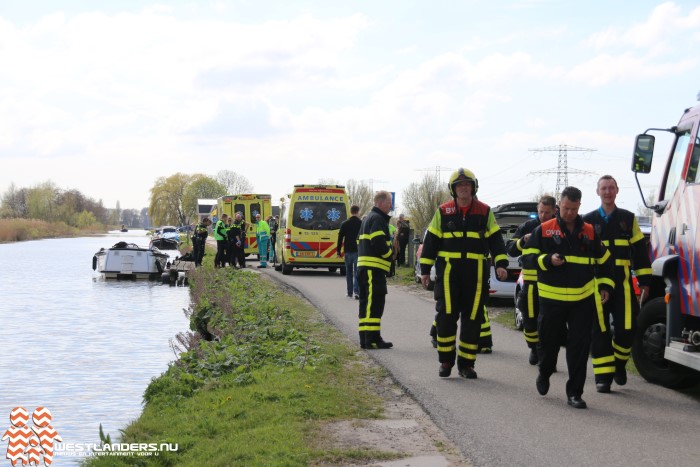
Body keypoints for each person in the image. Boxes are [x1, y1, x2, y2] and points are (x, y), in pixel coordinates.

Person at [522, 186, 614, 409]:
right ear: (558, 207)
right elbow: (528, 258)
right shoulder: (544, 230)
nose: (569, 213)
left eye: (573, 209)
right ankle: (544, 373)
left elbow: (605, 261)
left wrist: (604, 285)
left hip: (581, 300)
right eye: (565, 208)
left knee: (579, 348)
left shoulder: (590, 231)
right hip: (551, 300)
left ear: (579, 206)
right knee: (549, 343)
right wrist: (546, 260)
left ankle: (575, 393)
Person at [420, 168, 508, 379]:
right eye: (459, 185)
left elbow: (496, 240)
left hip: (476, 274)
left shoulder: (485, 212)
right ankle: (446, 361)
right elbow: (430, 242)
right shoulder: (443, 211)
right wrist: (424, 270)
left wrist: (501, 263)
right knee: (446, 316)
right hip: (448, 273)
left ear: (473, 187)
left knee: (473, 318)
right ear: (453, 189)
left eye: (467, 185)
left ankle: (467, 364)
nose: (463, 188)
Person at [583, 175, 652, 393]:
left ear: (617, 191)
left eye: (611, 188)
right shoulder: (587, 220)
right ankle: (603, 377)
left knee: (627, 328)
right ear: (597, 192)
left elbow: (640, 251)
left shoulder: (628, 219)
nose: (607, 192)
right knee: (599, 330)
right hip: (597, 283)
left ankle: (619, 365)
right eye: (603, 188)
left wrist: (645, 281)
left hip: (622, 283)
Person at [506, 195, 557, 365]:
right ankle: (533, 348)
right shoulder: (528, 226)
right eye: (541, 211)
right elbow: (511, 250)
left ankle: (547, 355)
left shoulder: (559, 227)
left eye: (547, 213)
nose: (543, 216)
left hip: (552, 284)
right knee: (529, 318)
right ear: (537, 209)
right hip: (530, 283)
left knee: (549, 322)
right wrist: (522, 241)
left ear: (554, 212)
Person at [357, 191, 394, 349]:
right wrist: (390, 254)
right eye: (388, 202)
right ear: (380, 203)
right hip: (373, 269)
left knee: (366, 303)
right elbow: (378, 241)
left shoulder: (367, 218)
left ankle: (366, 338)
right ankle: (372, 339)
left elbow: (358, 240)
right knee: (374, 304)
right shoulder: (377, 219)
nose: (390, 205)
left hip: (366, 268)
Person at [337, 204, 362, 299]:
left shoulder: (345, 223)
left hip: (347, 250)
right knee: (357, 272)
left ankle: (349, 292)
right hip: (358, 250)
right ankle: (357, 292)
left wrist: (338, 251)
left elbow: (340, 237)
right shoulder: (361, 223)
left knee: (349, 272)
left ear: (350, 212)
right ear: (358, 212)